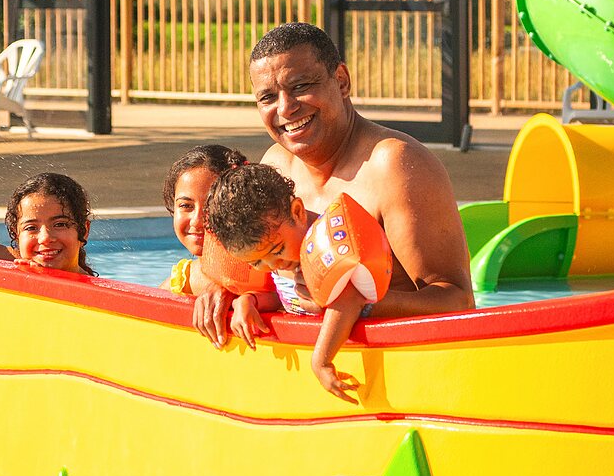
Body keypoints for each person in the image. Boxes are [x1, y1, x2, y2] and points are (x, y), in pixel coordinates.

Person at [193, 22, 474, 346]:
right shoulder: (276, 164)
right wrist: (226, 289)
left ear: (341, 81)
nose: (285, 108)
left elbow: (457, 302)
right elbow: (257, 270)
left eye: (300, 86)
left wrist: (351, 306)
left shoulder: (393, 167)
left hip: (401, 371)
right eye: (268, 97)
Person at [206, 163, 382, 402]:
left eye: (277, 250)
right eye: (257, 263)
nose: (273, 266)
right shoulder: (281, 255)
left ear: (298, 212)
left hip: (367, 355)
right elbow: (287, 296)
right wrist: (251, 300)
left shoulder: (323, 247)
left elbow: (349, 299)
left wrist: (322, 360)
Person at [160, 145, 279, 348]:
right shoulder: (183, 279)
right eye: (185, 206)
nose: (197, 221)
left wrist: (243, 293)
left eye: (211, 206)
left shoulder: (273, 265)